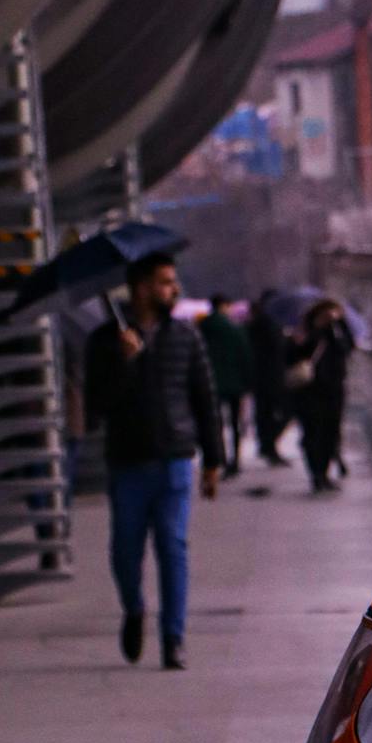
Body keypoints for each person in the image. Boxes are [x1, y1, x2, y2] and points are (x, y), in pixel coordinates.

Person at [83, 254, 223, 670]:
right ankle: (133, 609)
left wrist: (213, 460)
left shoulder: (186, 336)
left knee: (172, 546)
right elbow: (97, 406)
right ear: (142, 288)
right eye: (165, 283)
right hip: (127, 462)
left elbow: (204, 398)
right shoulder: (105, 341)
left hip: (176, 459)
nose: (173, 290)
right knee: (125, 551)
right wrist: (124, 362)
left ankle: (173, 637)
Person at [288, 298, 355, 495]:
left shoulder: (337, 332)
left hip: (334, 388)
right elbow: (294, 353)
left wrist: (340, 323)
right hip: (309, 390)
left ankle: (323, 474)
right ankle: (315, 474)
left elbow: (348, 347)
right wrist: (318, 330)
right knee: (312, 433)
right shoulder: (305, 331)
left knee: (330, 431)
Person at [198, 295, 253, 475]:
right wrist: (247, 382)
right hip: (235, 383)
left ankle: (218, 457)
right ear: (225, 306)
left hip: (210, 382)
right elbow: (245, 356)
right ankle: (235, 459)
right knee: (236, 422)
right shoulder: (235, 329)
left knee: (215, 422)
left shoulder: (201, 328)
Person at [247, 289, 292, 465]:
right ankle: (268, 445)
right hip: (268, 377)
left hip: (267, 376)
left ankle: (267, 445)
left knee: (267, 413)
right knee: (276, 411)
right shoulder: (265, 323)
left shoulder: (267, 322)